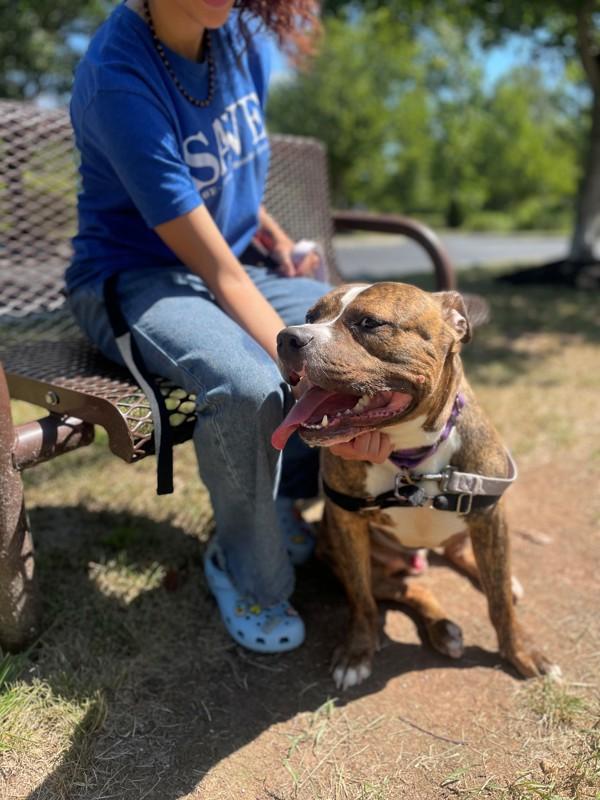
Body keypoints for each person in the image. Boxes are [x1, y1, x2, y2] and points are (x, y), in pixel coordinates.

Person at [67, 0, 394, 655]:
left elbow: (226, 179)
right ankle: (249, 573)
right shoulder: (119, 78)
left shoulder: (240, 34)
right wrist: (316, 382)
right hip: (134, 280)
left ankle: (284, 500)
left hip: (234, 262)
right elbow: (222, 279)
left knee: (358, 334)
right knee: (248, 384)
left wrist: (277, 242)